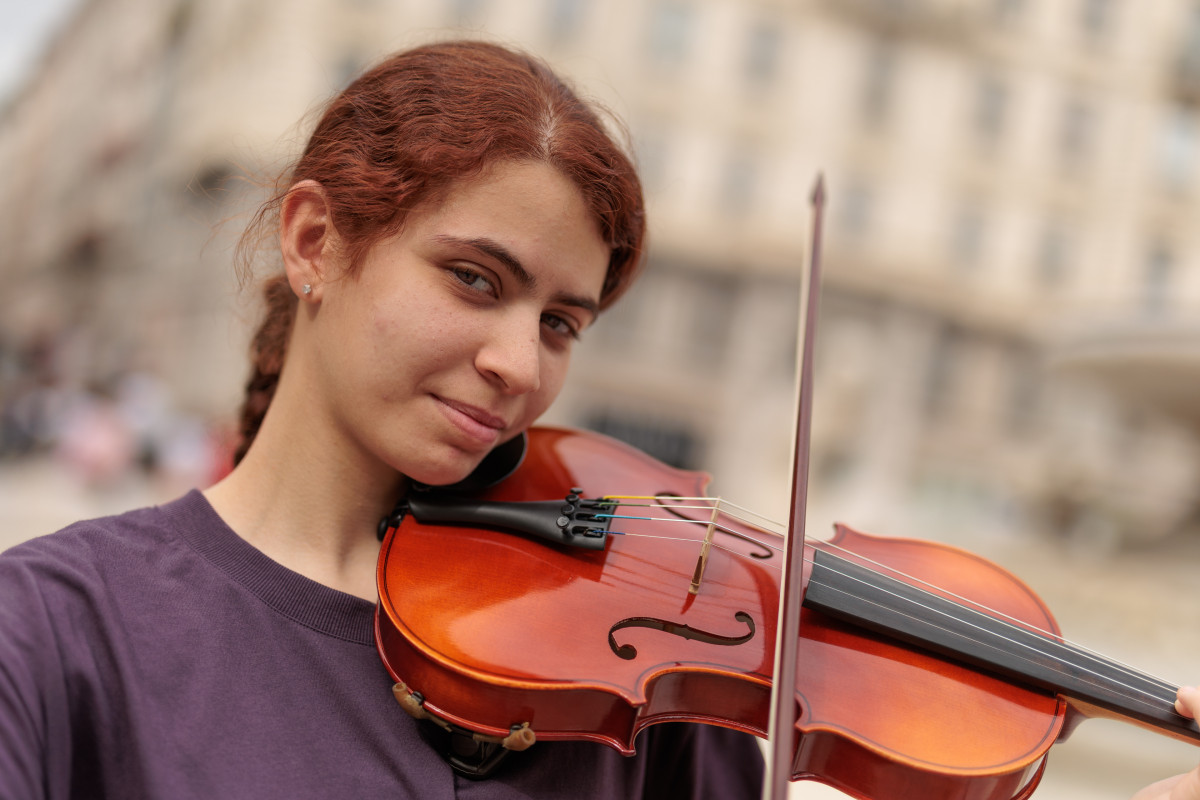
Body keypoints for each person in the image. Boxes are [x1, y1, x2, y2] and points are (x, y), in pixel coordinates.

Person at [0, 39, 1194, 800]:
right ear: (317, 241)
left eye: (564, 321)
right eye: (474, 278)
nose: (518, 362)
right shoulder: (55, 633)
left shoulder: (638, 693)